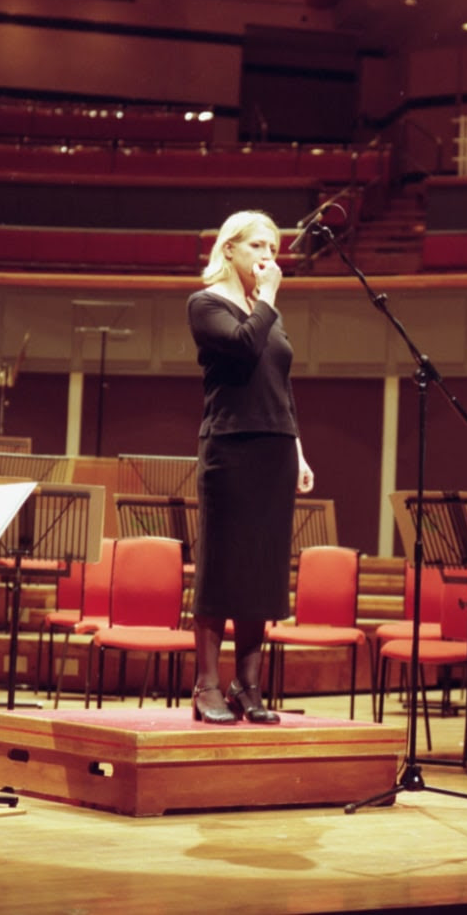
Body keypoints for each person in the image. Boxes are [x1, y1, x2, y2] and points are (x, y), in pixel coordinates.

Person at [186, 210, 314, 724]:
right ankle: (207, 685)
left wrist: (299, 450)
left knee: (262, 571)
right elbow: (242, 348)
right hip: (230, 448)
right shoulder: (206, 304)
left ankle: (249, 685)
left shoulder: (269, 315)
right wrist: (269, 300)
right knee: (223, 568)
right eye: (258, 246)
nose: (268, 257)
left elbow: (281, 387)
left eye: (274, 249)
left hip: (275, 449)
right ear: (230, 249)